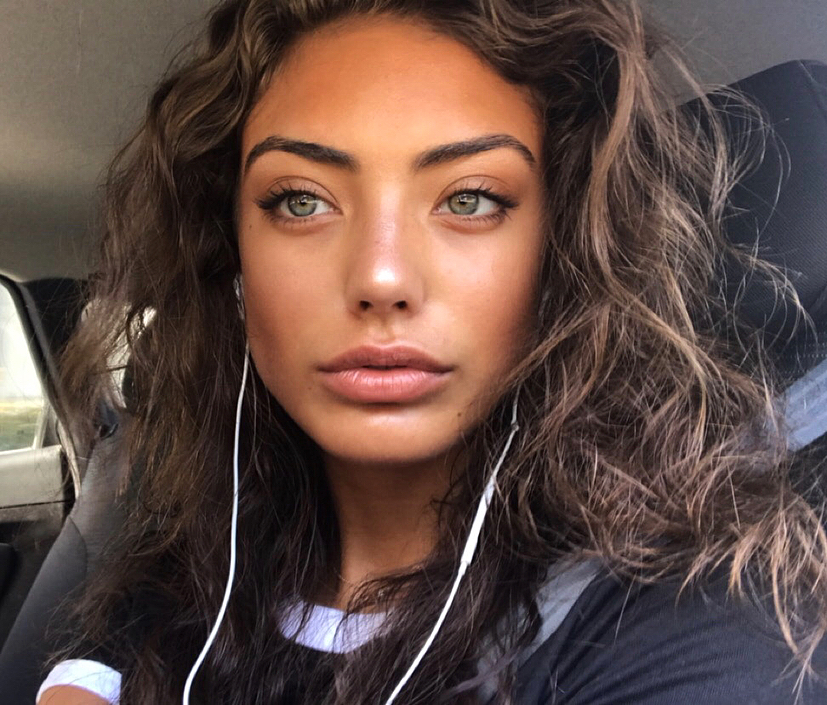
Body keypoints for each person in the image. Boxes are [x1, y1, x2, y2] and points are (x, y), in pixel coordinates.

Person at [35, 0, 827, 703]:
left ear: (564, 257)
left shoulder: (694, 623)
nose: (380, 277)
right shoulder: (205, 551)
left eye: (470, 199)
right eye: (301, 201)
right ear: (232, 260)